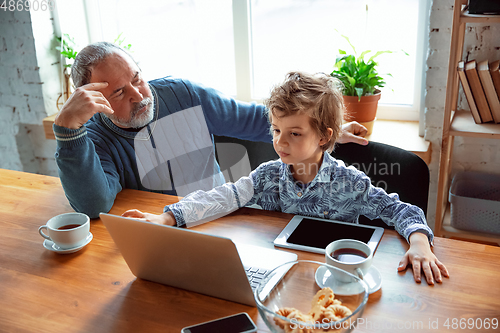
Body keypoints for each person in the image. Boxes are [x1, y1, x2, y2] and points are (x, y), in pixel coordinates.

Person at [123, 71, 449, 285]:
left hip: (336, 279)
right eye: (276, 130)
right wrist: (167, 217)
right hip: (281, 275)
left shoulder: (350, 182)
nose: (280, 142)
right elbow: (223, 195)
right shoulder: (267, 177)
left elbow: (401, 210)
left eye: (294, 133)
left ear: (324, 136)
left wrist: (420, 243)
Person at [53, 42, 368, 219]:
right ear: (94, 100)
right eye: (119, 93)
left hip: (221, 216)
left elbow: (253, 119)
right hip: (162, 228)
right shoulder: (94, 137)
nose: (138, 96)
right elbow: (94, 205)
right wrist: (68, 130)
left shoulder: (184, 94)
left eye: (137, 78)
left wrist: (322, 130)